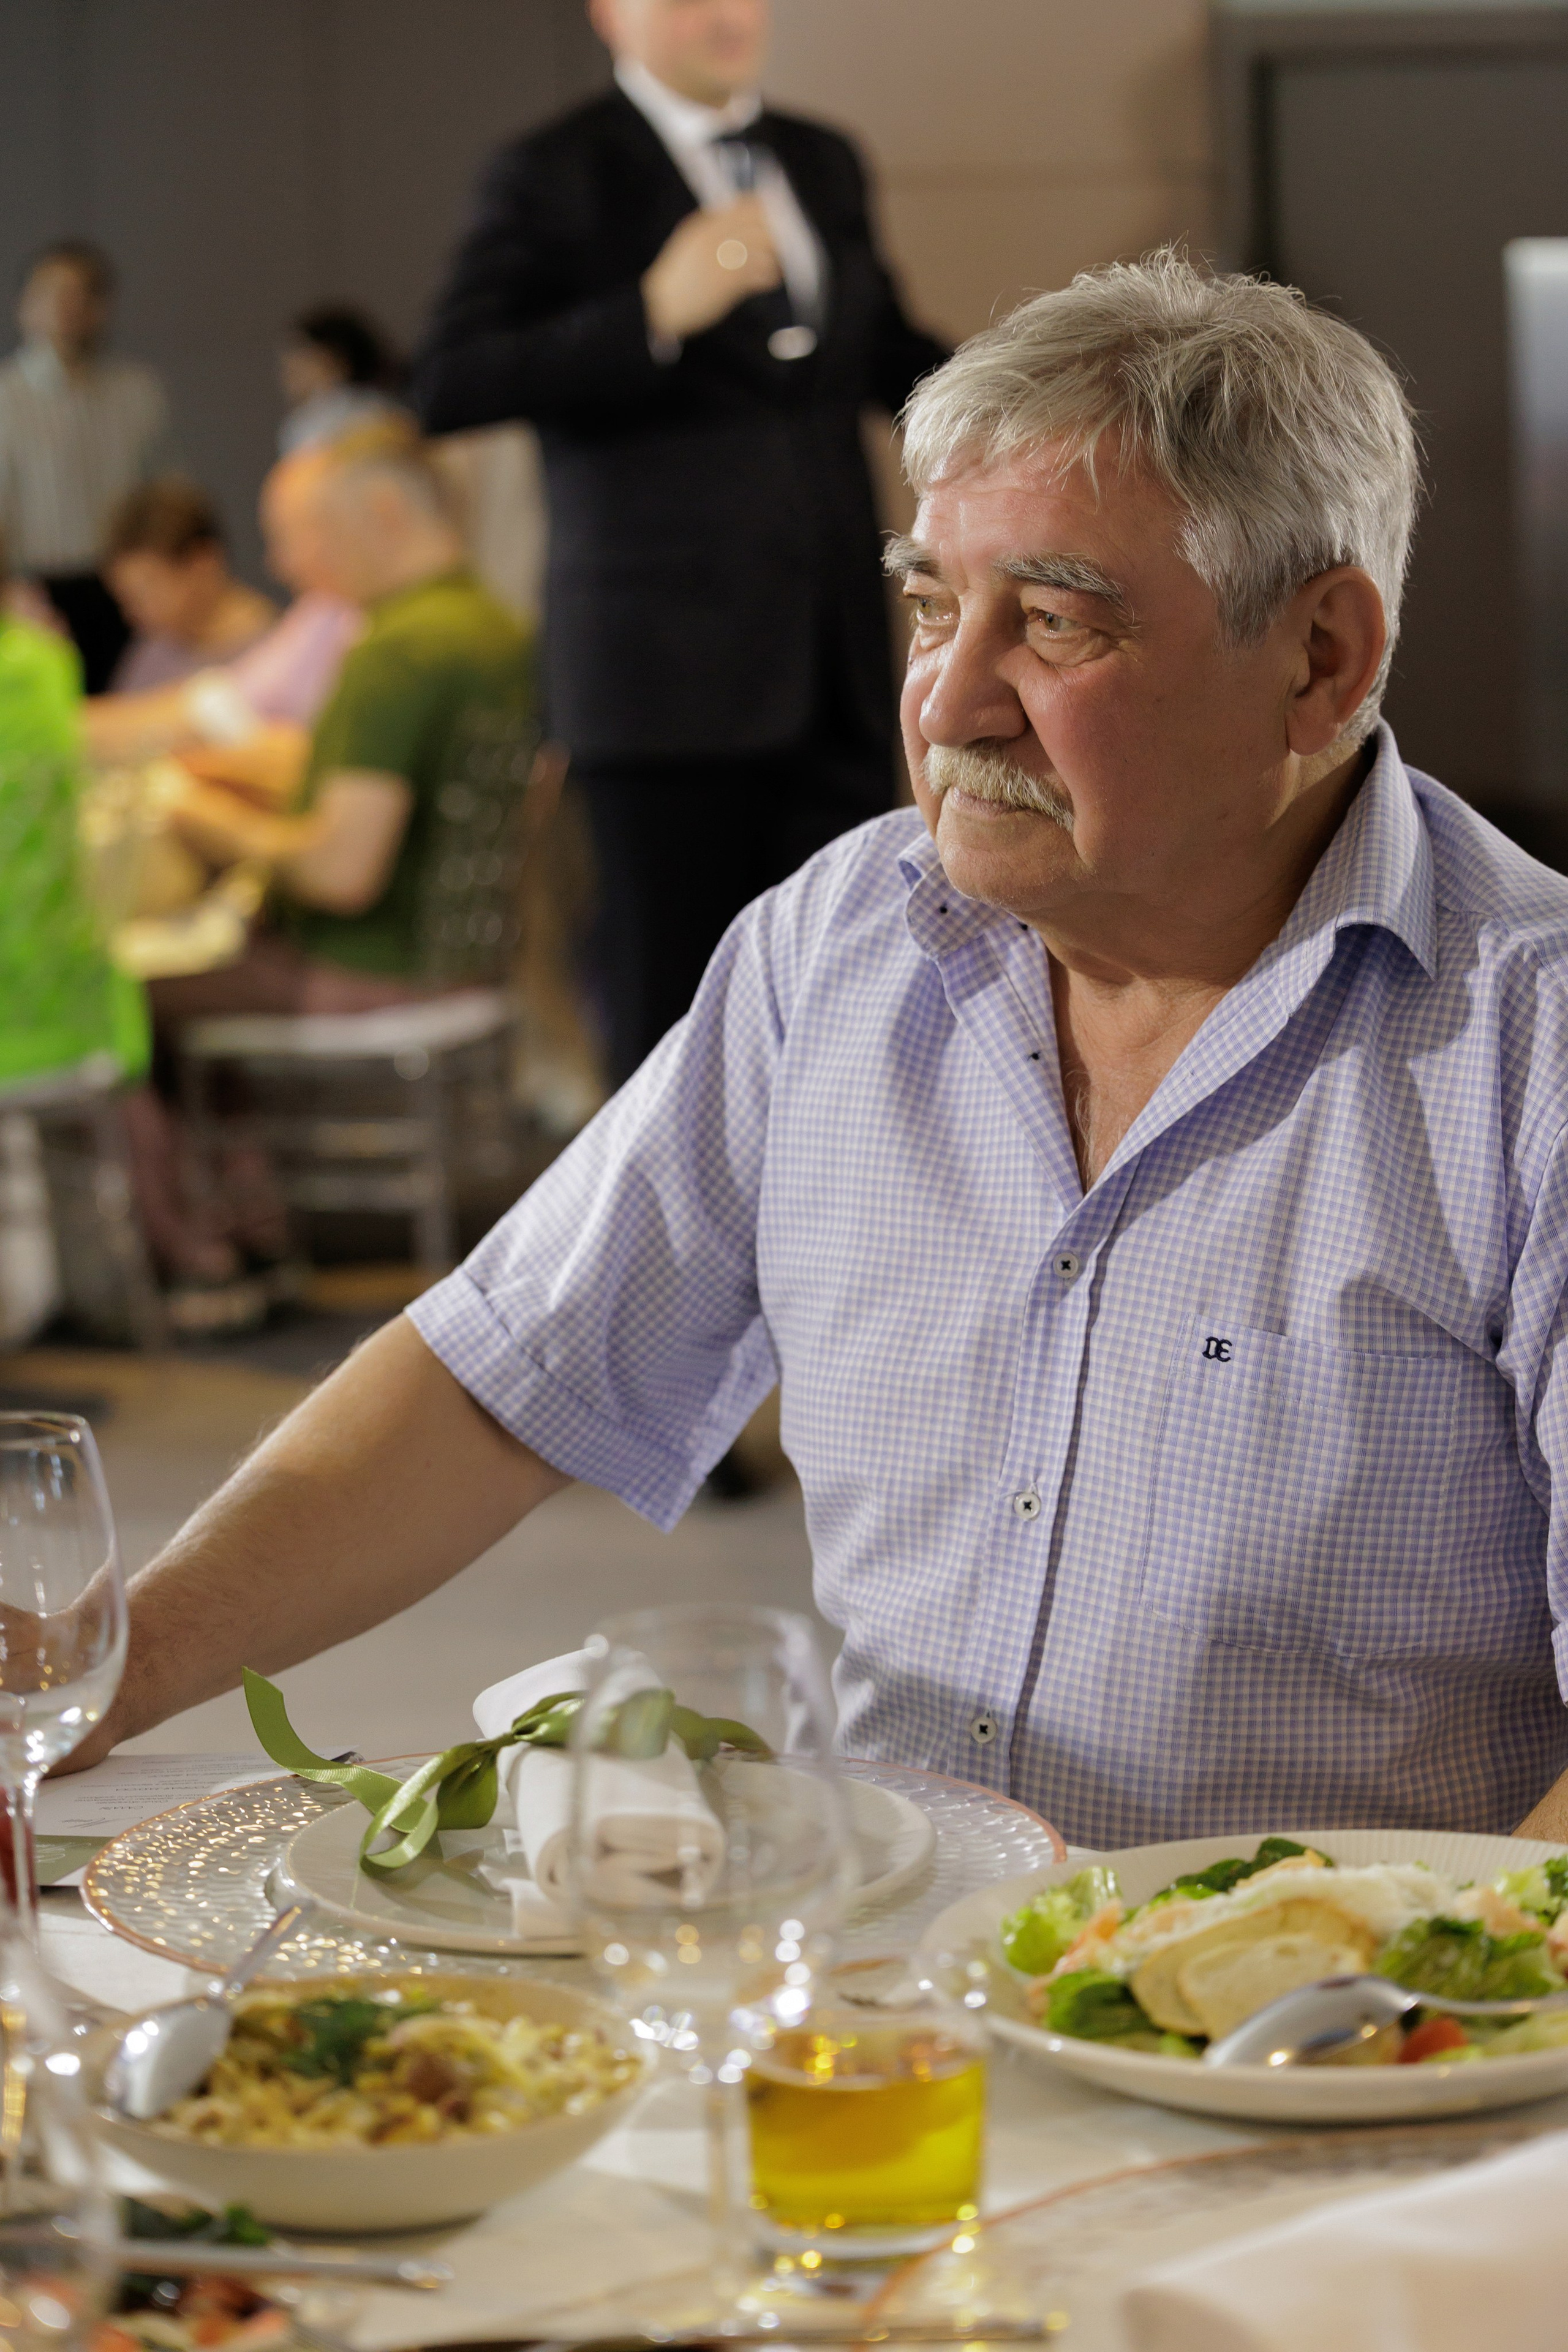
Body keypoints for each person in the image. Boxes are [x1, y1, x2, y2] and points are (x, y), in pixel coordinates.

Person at [69, 254, 1568, 1850]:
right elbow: (507, 1379)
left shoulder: (1523, 1051)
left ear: (1323, 660)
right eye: (932, 604)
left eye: (1055, 625)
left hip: (1338, 2060)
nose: (948, 701)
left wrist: (1400, 2032)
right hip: (886, 2023)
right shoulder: (839, 946)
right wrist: (99, 1669)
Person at [412, 0, 948, 1084]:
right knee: (676, 1027)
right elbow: (450, 380)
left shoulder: (825, 159)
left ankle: (838, 1251)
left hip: (832, 656)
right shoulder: (552, 170)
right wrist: (654, 309)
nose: (727, 11)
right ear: (611, 12)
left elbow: (891, 353)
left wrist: (1059, 405)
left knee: (845, 1000)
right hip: (657, 679)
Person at [146, 418, 533, 1022]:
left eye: (320, 532)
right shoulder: (496, 628)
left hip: (367, 977)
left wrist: (213, 825)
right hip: (462, 968)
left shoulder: (397, 651)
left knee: (119, 989)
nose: (297, 565)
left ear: (383, 511)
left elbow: (343, 872)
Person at [83, 448, 364, 784]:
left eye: (293, 540)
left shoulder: (308, 626)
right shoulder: (152, 651)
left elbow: (223, 718)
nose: (278, 566)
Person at [0, 242, 177, 690]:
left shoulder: (137, 393)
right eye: (51, 294)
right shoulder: (6, 398)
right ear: (25, 305)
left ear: (100, 308)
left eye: (79, 295)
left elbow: (163, 494)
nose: (65, 308)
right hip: (37, 586)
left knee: (133, 700)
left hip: (124, 586)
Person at [104, 480, 276, 695]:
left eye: (148, 591)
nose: (135, 613)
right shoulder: (153, 650)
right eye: (127, 600)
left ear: (203, 564)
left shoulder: (276, 650)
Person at [279, 306, 402, 455]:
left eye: (302, 358)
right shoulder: (304, 422)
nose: (290, 367)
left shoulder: (369, 415)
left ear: (336, 360)